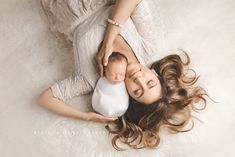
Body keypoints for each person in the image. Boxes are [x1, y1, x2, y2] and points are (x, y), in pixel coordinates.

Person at [38, 0, 209, 150]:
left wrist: (86, 117)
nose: (138, 79)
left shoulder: (91, 80)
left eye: (137, 91)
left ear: (128, 95)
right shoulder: (148, 46)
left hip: (64, 9)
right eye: (150, 83)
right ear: (155, 74)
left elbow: (44, 99)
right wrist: (109, 40)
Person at [92, 52, 129, 117]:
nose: (117, 78)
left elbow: (123, 95)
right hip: (103, 103)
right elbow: (99, 92)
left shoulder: (124, 83)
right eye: (112, 74)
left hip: (121, 108)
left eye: (121, 74)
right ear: (105, 70)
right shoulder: (102, 80)